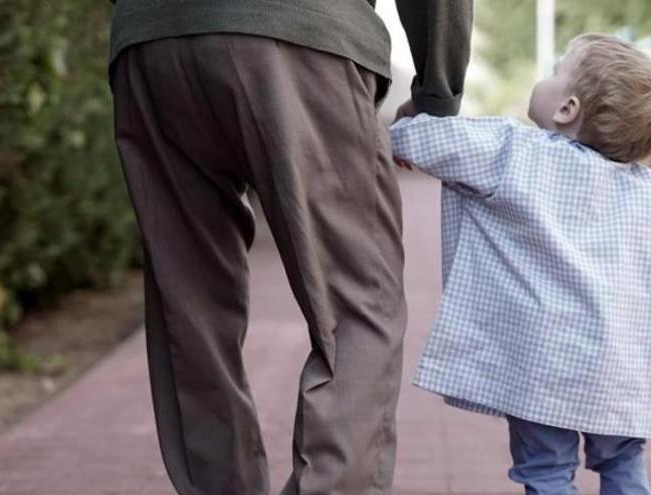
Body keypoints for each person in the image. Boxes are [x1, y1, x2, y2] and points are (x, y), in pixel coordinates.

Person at [106, 1, 472, 494]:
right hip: (302, 35)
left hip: (150, 42)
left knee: (189, 304)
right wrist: (437, 93)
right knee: (358, 299)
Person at [390, 34, 651, 495]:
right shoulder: (645, 190)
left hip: (545, 370)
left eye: (558, 70)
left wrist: (407, 124)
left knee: (547, 472)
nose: (547, 77)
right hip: (622, 369)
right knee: (623, 462)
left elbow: (428, 142)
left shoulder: (515, 152)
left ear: (567, 109)